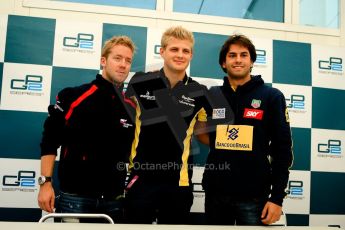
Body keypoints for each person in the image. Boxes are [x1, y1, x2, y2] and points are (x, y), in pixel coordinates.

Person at [37, 35, 136, 223]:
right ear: (103, 60)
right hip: (75, 199)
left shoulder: (131, 107)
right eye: (117, 58)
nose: (123, 64)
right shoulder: (74, 96)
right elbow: (49, 140)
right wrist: (45, 183)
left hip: (114, 202)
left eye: (128, 60)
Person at [201, 34, 293, 225]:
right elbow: (203, 133)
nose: (238, 60)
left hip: (254, 197)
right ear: (223, 63)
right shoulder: (212, 95)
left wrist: (276, 198)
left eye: (244, 55)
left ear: (252, 62)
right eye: (232, 55)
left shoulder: (271, 96)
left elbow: (282, 150)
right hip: (216, 195)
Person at [124, 26, 211, 224]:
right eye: (174, 49)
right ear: (162, 51)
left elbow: (203, 133)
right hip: (141, 179)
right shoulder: (140, 81)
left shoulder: (200, 92)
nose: (180, 55)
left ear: (191, 55)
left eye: (185, 51)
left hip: (178, 183)